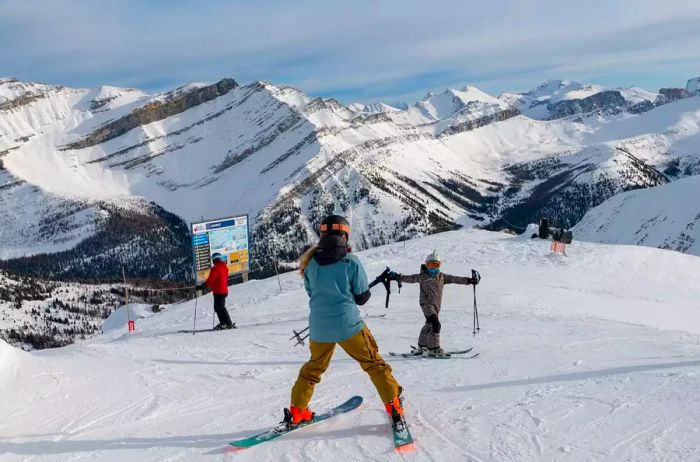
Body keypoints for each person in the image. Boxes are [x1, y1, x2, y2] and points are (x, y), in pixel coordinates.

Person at [284, 214, 405, 429]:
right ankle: (394, 405)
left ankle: (297, 411)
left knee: (312, 369)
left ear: (323, 233)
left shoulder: (310, 262)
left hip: (319, 327)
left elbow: (311, 292)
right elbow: (361, 297)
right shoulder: (350, 261)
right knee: (374, 365)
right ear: (344, 234)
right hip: (348, 325)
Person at [389, 249, 478, 357]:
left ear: (439, 266)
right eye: (430, 265)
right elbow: (410, 278)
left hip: (436, 305)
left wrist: (469, 280)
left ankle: (422, 346)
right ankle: (433, 348)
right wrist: (397, 276)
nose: (432, 268)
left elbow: (455, 279)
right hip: (426, 304)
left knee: (429, 324)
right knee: (436, 324)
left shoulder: (442, 277)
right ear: (426, 264)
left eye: (435, 265)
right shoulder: (422, 276)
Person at [198, 252, 234, 330]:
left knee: (220, 308)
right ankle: (224, 323)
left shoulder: (215, 268)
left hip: (219, 291)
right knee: (218, 307)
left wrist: (203, 286)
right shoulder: (224, 267)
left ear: (214, 260)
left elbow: (211, 280)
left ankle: (228, 323)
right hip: (224, 290)